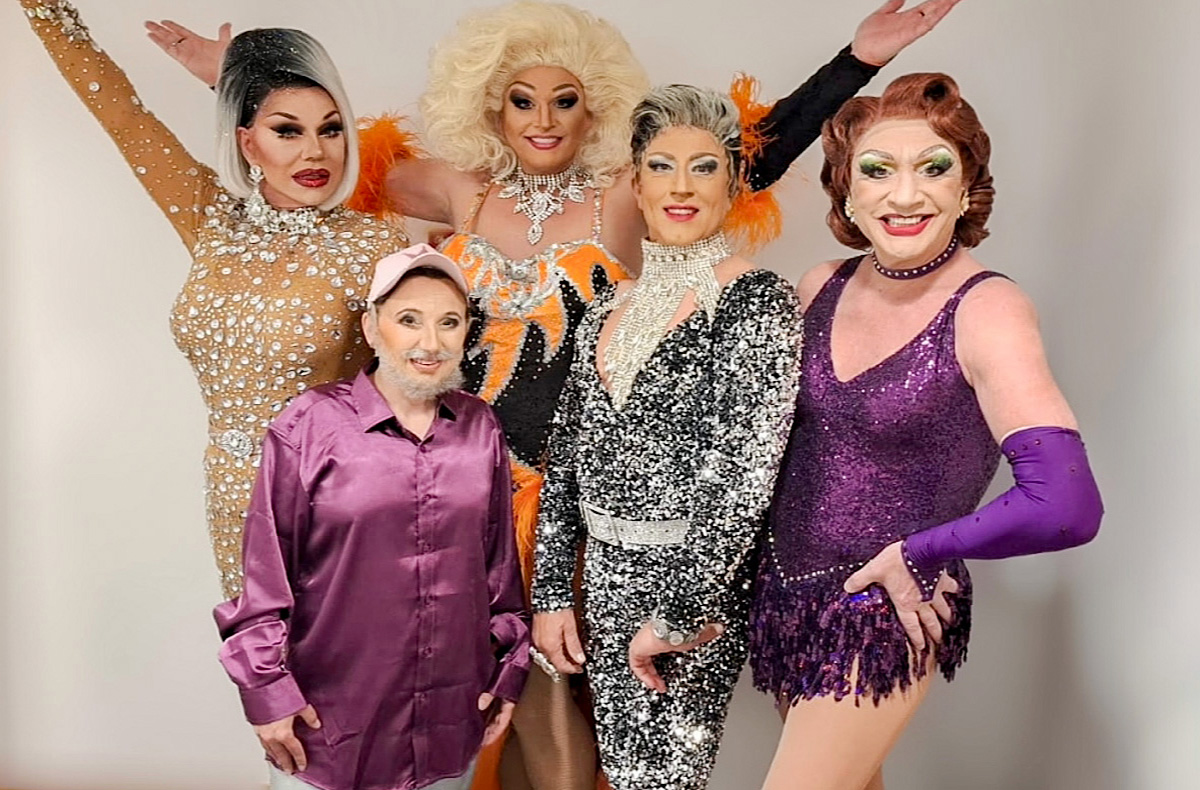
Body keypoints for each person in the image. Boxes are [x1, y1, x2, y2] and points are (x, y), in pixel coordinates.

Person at [149, 4, 962, 787]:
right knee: (475, 696)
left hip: (575, 502)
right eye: (522, 99)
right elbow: (325, 150)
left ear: (595, 108)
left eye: (565, 100)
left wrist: (857, 61)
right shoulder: (460, 191)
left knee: (587, 711)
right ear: (489, 105)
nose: (543, 120)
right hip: (462, 491)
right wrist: (239, 81)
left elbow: (733, 156)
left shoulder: (623, 193)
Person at [748, 72, 1103, 790]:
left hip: (879, 609)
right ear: (847, 191)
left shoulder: (987, 309)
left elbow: (1066, 504)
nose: (904, 196)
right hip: (783, 596)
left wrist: (921, 552)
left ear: (967, 187)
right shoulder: (821, 286)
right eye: (878, 171)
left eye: (932, 168)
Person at [17, 0, 410, 600]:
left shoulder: (374, 244)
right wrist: (45, 11)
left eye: (331, 129)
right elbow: (123, 116)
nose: (315, 152)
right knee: (257, 651)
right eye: (288, 131)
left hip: (337, 497)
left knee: (343, 654)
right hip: (232, 495)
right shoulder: (213, 221)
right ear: (247, 143)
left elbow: (417, 384)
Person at [531, 84, 803, 790]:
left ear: (733, 184)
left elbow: (743, 478)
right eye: (662, 166)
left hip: (691, 593)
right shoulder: (605, 306)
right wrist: (552, 593)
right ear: (636, 183)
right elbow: (566, 458)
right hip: (601, 584)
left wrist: (679, 615)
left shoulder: (756, 300)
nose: (681, 186)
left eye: (704, 167)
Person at [214, 244, 530, 790]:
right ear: (371, 326)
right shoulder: (310, 423)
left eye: (449, 322)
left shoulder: (481, 428)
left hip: (449, 727)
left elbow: (499, 571)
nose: (430, 342)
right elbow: (266, 576)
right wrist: (266, 693)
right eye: (409, 320)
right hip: (328, 728)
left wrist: (508, 671)